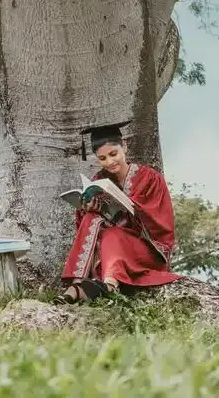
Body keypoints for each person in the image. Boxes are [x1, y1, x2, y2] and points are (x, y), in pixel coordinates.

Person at [54, 120, 182, 304]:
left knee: (113, 234)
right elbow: (85, 224)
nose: (109, 162)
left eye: (113, 154)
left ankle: (110, 285)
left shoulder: (150, 179)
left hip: (144, 249)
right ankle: (77, 283)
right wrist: (90, 207)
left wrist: (129, 210)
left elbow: (160, 223)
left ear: (125, 146)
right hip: (110, 249)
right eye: (102, 158)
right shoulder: (99, 181)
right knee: (91, 218)